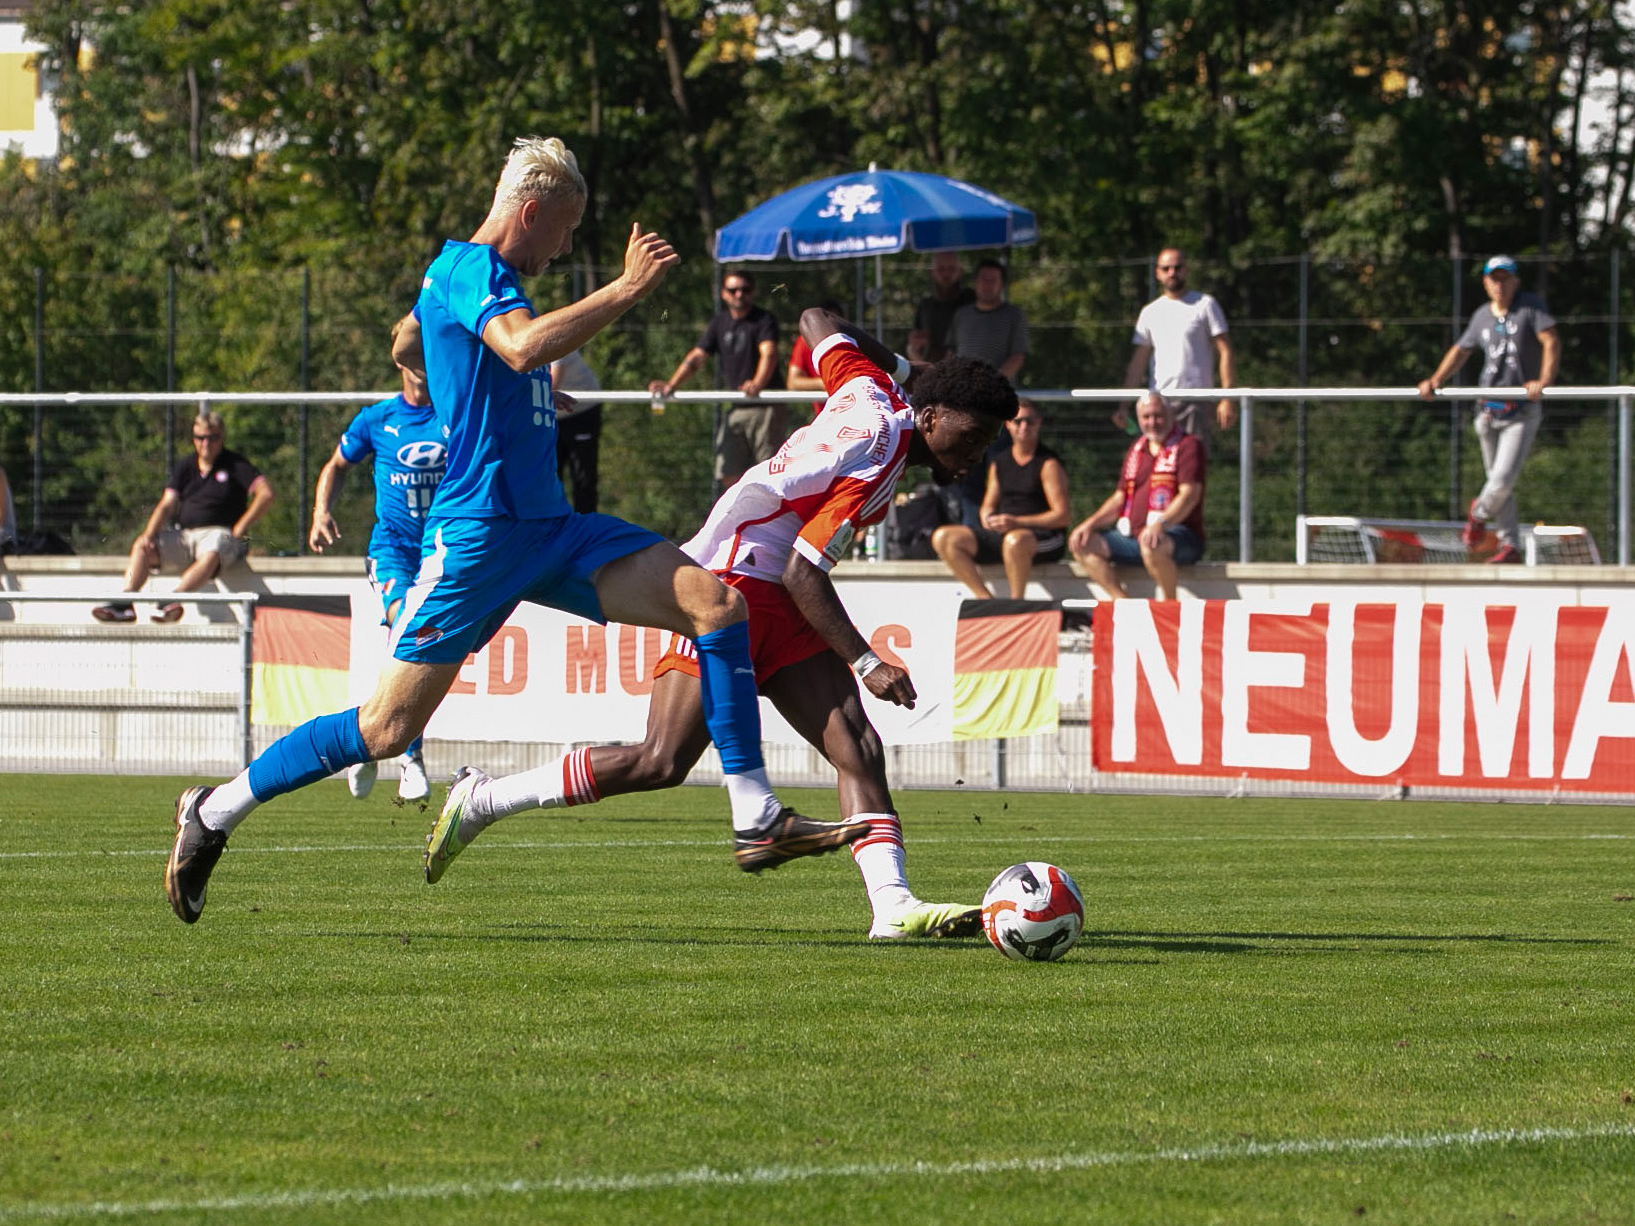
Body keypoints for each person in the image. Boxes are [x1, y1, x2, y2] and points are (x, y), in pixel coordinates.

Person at [164, 137, 791, 925]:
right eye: (561, 232)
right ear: (530, 212)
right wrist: (626, 288)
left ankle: (754, 810)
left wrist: (427, 338)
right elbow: (523, 343)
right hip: (480, 539)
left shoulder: (454, 281)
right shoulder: (472, 270)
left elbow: (407, 337)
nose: (563, 248)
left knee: (716, 605)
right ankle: (214, 812)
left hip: (553, 532)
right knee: (387, 729)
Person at [425, 310, 1015, 940]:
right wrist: (866, 662)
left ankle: (892, 906)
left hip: (773, 590)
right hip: (729, 587)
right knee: (661, 760)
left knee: (858, 747)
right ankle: (485, 800)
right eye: (973, 435)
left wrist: (906, 368)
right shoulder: (882, 456)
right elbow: (803, 572)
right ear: (931, 417)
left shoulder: (868, 385)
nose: (977, 454)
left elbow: (816, 318)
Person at [307, 319, 445, 806]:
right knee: (407, 627)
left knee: (422, 645)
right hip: (390, 552)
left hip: (442, 556)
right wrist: (323, 509)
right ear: (404, 361)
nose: (426, 364)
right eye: (417, 354)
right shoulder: (376, 420)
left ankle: (367, 736)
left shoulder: (457, 411)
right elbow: (337, 465)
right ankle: (409, 755)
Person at [1414, 254, 1559, 563]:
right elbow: (1461, 350)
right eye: (1495, 278)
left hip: (1520, 409)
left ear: (1516, 281)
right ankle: (1509, 546)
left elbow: (1551, 341)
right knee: (1496, 478)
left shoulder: (1530, 308)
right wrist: (1435, 379)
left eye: (1506, 278)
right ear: (1486, 283)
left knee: (1503, 479)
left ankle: (1478, 514)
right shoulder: (1482, 315)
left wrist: (1542, 381)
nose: (1500, 284)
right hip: (1488, 410)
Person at [95, 411, 275, 624]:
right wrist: (149, 535)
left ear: (222, 437)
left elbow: (266, 493)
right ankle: (125, 603)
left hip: (220, 535)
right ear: (193, 439)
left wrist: (242, 526)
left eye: (212, 438)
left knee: (214, 546)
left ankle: (172, 600)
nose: (206, 444)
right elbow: (166, 504)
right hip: (186, 535)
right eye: (200, 438)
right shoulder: (186, 466)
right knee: (141, 546)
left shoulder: (236, 465)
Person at [651, 270, 781, 491]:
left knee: (770, 472)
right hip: (738, 406)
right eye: (733, 290)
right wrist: (671, 385)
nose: (739, 295)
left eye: (745, 290)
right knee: (727, 471)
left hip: (765, 406)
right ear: (723, 294)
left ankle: (768, 521)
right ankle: (743, 515)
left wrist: (757, 383)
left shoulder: (764, 320)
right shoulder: (719, 323)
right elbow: (697, 357)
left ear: (753, 292)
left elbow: (769, 353)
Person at [1069, 391, 1204, 601]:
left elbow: (1189, 496)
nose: (1153, 422)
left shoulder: (1188, 445)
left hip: (1178, 535)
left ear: (1170, 414)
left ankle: (1170, 606)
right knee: (1081, 543)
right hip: (1132, 536)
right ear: (1139, 419)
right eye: (1146, 417)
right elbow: (1119, 499)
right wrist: (1089, 524)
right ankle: (1123, 603)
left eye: (1158, 415)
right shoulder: (1137, 449)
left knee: (1152, 543)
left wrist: (1161, 524)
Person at [932, 402, 1071, 600]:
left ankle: (1016, 603)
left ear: (1038, 423)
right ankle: (985, 599)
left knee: (1015, 542)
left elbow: (1062, 516)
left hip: (1042, 537)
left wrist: (1017, 523)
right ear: (1008, 425)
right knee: (945, 537)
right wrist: (988, 517)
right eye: (1018, 422)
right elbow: (988, 505)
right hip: (1007, 534)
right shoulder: (1000, 462)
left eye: (1029, 422)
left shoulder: (1048, 464)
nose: (1024, 427)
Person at [1120, 246, 1233, 440]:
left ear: (1186, 270)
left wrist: (1227, 398)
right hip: (1159, 402)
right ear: (1158, 273)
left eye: (1177, 267)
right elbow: (1138, 362)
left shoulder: (1205, 305)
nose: (1172, 273)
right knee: (1159, 466)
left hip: (1196, 401)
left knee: (1193, 465)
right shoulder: (1150, 312)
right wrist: (1123, 405)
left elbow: (1225, 351)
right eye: (1166, 268)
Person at [946, 258, 1028, 381]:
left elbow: (1018, 355)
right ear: (975, 282)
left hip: (999, 392)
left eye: (993, 280)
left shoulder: (1014, 315)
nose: (987, 285)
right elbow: (951, 352)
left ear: (1002, 285)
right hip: (962, 388)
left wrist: (993, 382)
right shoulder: (961, 314)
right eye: (984, 279)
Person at [550, 346, 603, 513]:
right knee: (550, 475)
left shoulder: (553, 340)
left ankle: (586, 531)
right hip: (551, 416)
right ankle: (551, 526)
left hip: (582, 412)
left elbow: (551, 385)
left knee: (583, 477)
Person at [909, 251, 972, 364]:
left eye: (951, 269)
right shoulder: (925, 305)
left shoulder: (972, 301)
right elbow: (914, 346)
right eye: (941, 269)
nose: (946, 274)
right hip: (934, 371)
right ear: (931, 272)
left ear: (960, 271)